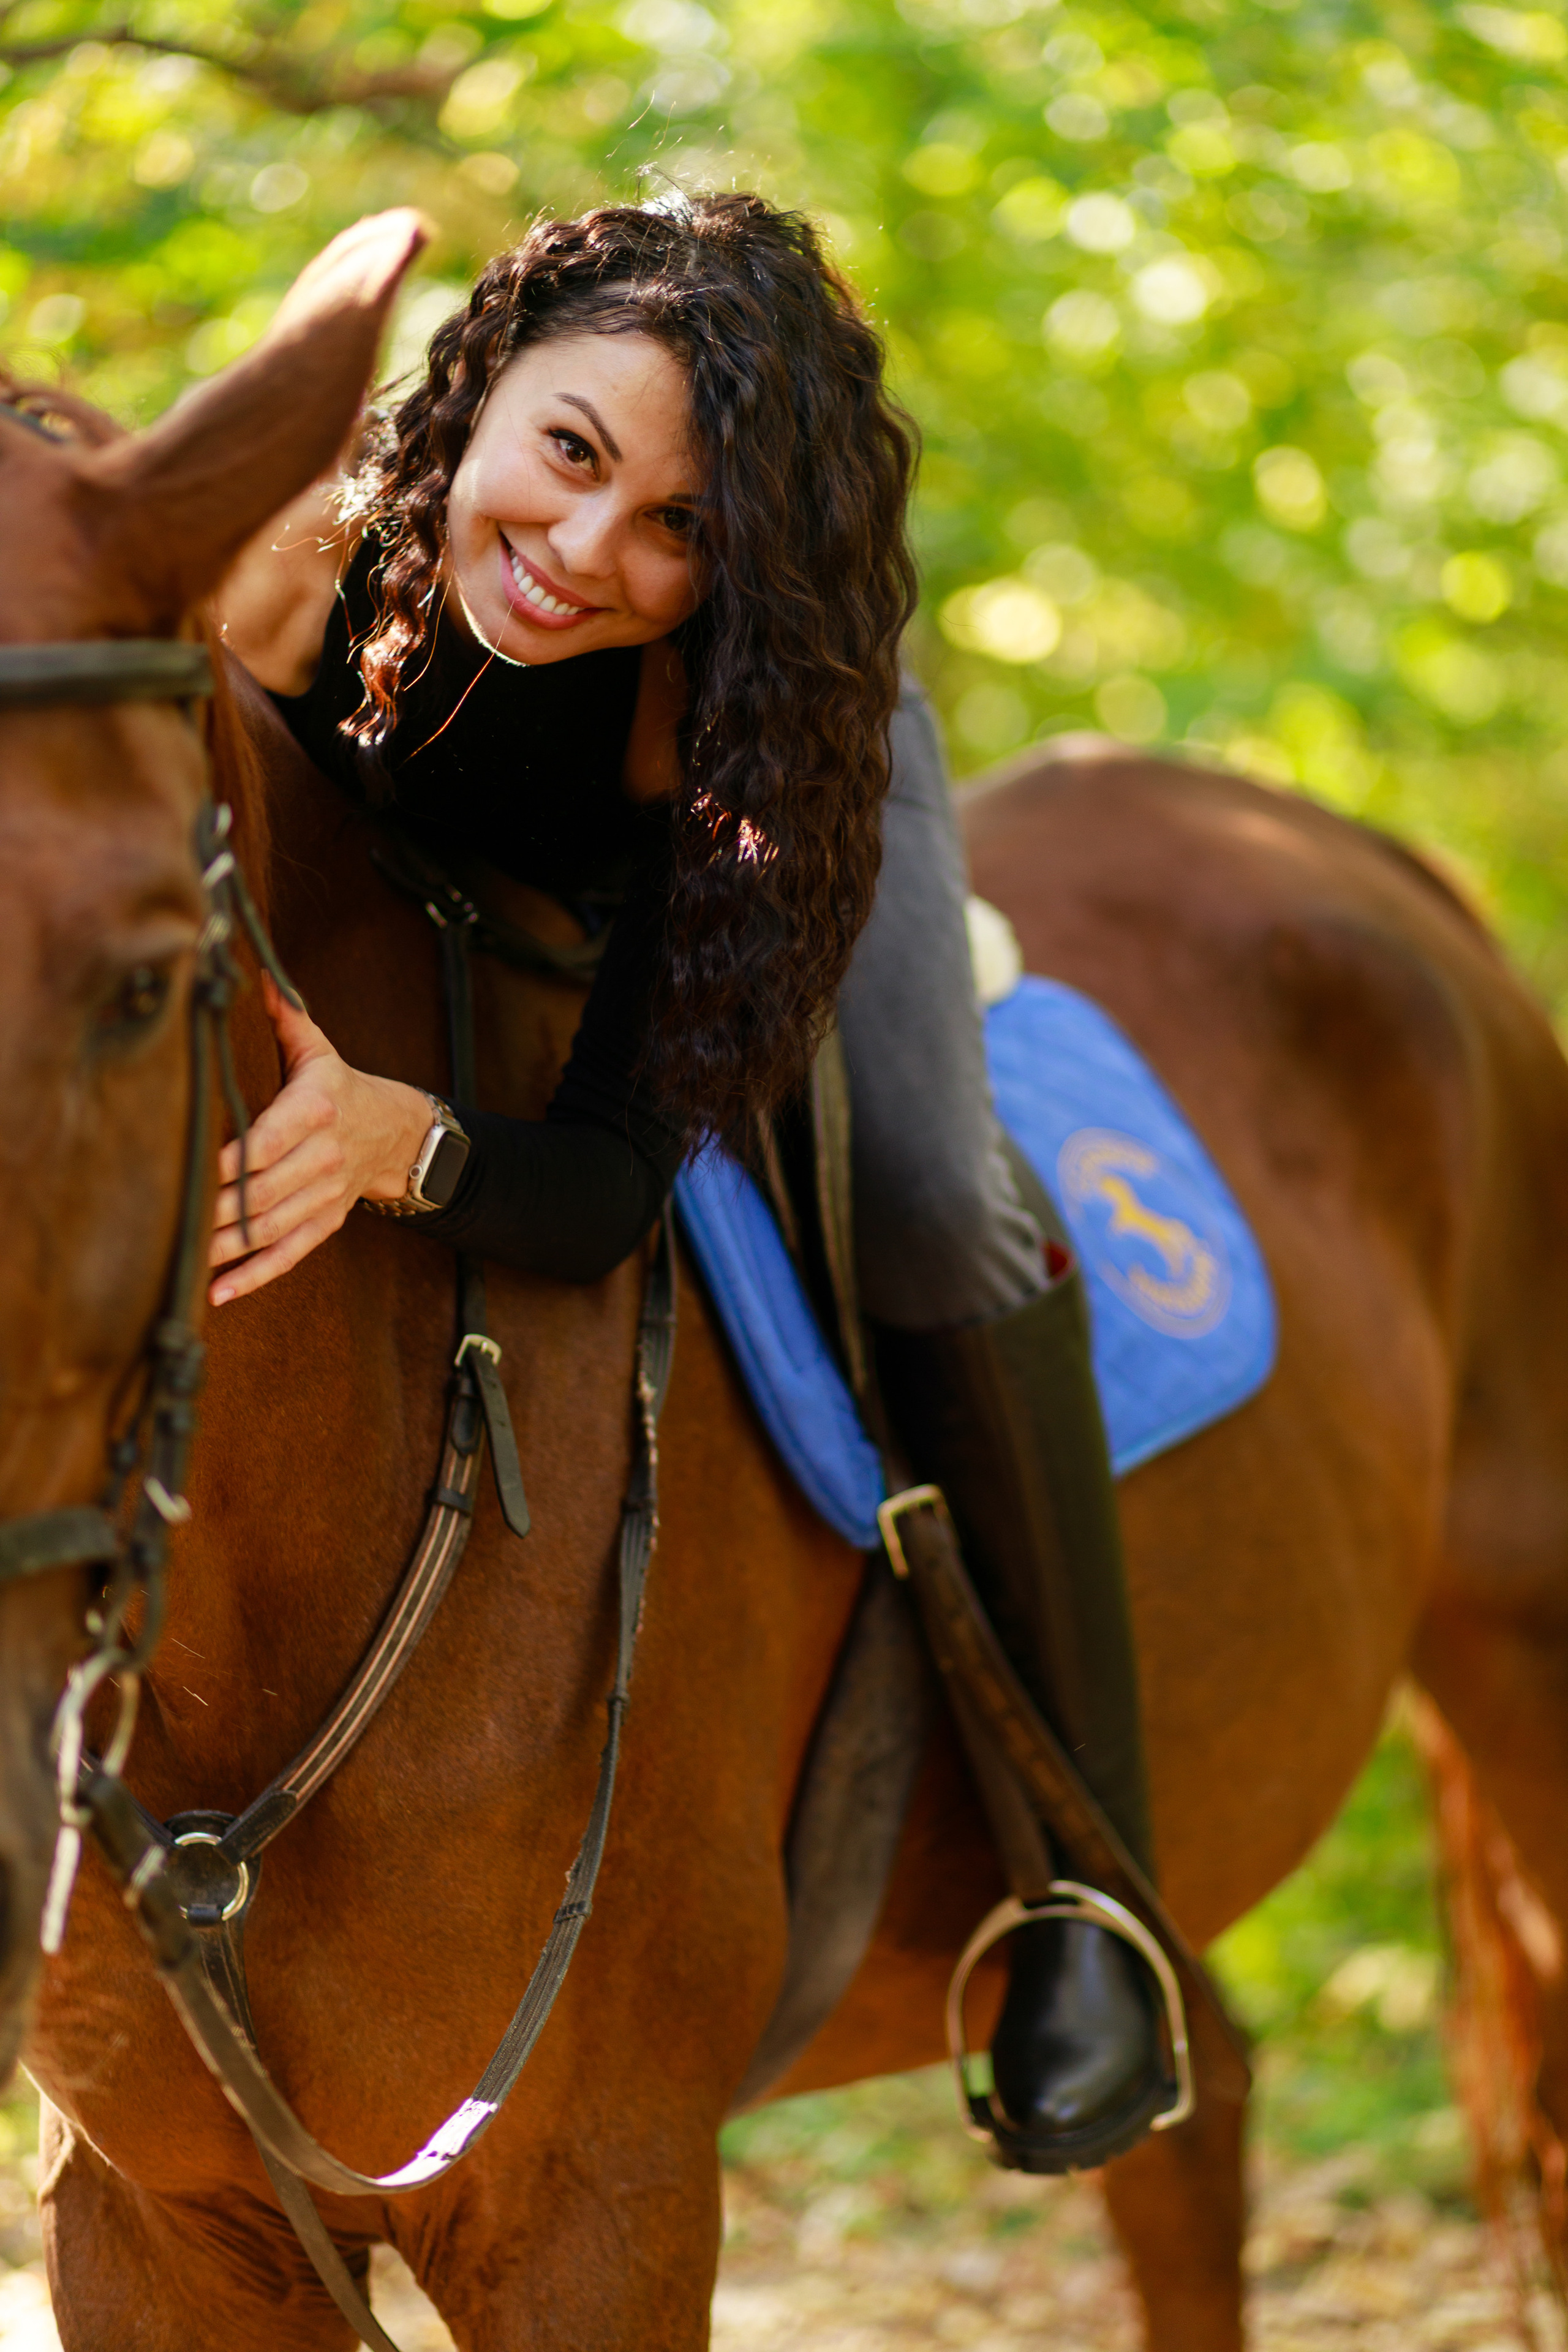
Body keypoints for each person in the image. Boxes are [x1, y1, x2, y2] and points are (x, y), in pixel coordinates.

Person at [215, 194, 1166, 2173]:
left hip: (783, 768)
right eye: (569, 456)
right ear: (478, 390)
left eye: (678, 528)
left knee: (917, 1184)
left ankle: (1095, 1892)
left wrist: (419, 1145)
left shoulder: (716, 709)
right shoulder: (291, 562)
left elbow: (609, 1186)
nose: (586, 555)